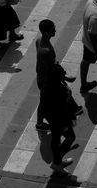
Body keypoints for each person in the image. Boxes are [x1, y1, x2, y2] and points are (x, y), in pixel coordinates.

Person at [34, 20, 79, 170]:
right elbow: (51, 68)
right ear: (46, 32)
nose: (55, 31)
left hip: (46, 81)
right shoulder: (46, 51)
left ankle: (40, 124)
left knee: (43, 101)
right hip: (48, 83)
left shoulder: (39, 41)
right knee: (65, 136)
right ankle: (58, 160)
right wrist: (65, 79)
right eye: (52, 29)